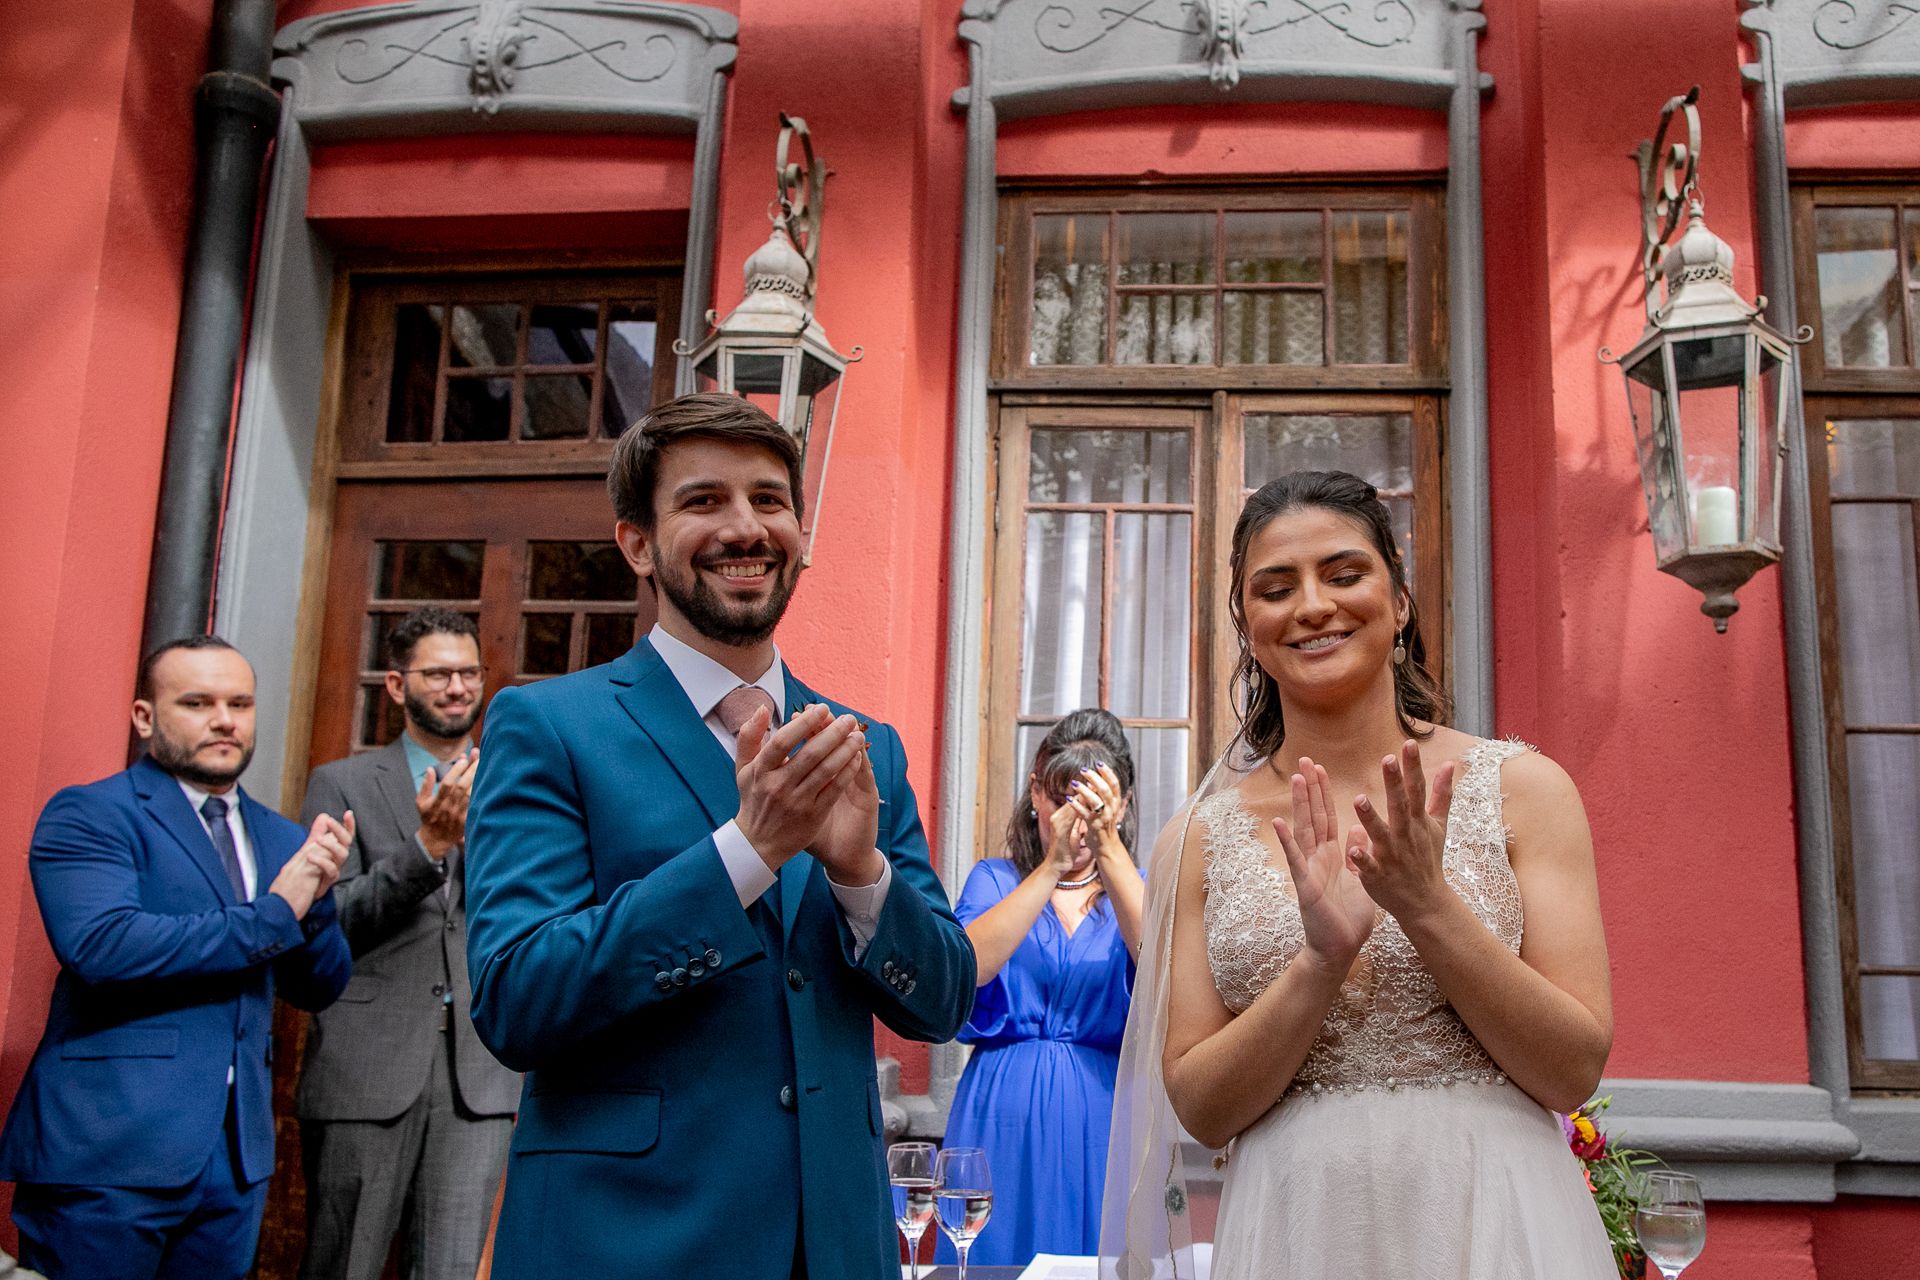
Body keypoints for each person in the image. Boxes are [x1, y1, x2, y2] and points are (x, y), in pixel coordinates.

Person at [463, 392, 976, 1280]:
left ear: (800, 536)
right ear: (638, 544)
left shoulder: (866, 747)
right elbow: (518, 999)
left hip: (835, 1247)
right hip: (626, 1244)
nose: (746, 527)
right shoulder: (549, 726)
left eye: (769, 500)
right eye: (704, 501)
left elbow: (943, 1003)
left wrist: (860, 876)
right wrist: (747, 852)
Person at [1104, 471, 1617, 1278]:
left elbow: (1572, 1070)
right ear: (1249, 627)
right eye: (1277, 589)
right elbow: (1201, 1110)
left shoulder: (1525, 790)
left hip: (1495, 1220)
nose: (1313, 606)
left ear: (1399, 601)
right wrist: (1319, 962)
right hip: (1296, 1230)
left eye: (1344, 575)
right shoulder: (1196, 838)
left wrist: (1428, 906)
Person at [0, 636, 354, 1280]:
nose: (225, 720)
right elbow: (103, 947)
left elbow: (320, 986)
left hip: (235, 1162)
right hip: (109, 1151)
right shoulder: (91, 813)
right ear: (144, 717)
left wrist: (317, 900)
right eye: (197, 703)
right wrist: (279, 910)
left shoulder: (282, 836)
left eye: (240, 704)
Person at [295, 607, 519, 1280]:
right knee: (345, 1265)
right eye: (438, 674)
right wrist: (426, 849)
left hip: (482, 1072)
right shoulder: (342, 784)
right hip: (366, 1068)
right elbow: (326, 922)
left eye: (469, 673)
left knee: (451, 1270)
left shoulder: (517, 784)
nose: (458, 688)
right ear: (396, 685)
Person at [938, 709, 1144, 1265]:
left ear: (1121, 805)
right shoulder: (995, 879)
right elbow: (968, 965)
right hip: (999, 1116)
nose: (1074, 819)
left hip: (1100, 1118)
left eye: (1092, 803)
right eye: (1060, 800)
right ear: (1035, 794)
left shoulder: (1138, 891)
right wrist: (1053, 865)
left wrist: (1107, 847)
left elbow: (1162, 964)